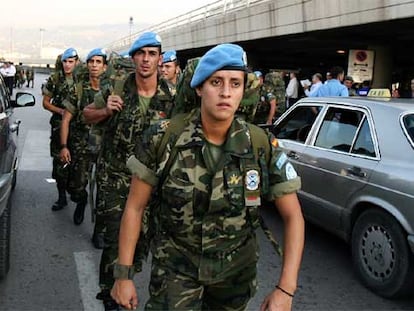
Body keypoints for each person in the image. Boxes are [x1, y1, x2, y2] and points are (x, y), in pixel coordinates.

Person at [111, 43, 305, 311]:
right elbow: (135, 207)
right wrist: (123, 275)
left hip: (234, 278)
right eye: (216, 82)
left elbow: (293, 216)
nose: (226, 92)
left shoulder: (260, 144)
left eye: (235, 83)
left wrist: (286, 288)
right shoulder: (163, 137)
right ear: (200, 87)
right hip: (175, 273)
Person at [82, 32, 175, 311]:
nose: (146, 59)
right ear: (134, 57)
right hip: (116, 178)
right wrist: (105, 111)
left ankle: (123, 281)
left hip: (150, 182)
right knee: (114, 235)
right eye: (141, 53)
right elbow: (86, 114)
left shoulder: (171, 96)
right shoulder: (116, 88)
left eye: (152, 54)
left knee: (141, 239)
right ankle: (109, 292)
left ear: (159, 59)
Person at [59, 48, 107, 227]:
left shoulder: (112, 91)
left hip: (105, 148)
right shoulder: (78, 89)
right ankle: (81, 200)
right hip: (81, 146)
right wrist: (64, 146)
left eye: (98, 62)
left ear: (105, 66)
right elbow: (66, 119)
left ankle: (99, 232)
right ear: (87, 65)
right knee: (75, 187)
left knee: (105, 192)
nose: (94, 65)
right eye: (91, 62)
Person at [42, 48, 80, 211]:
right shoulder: (55, 79)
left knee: (78, 164)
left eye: (71, 61)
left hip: (79, 128)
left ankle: (78, 195)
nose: (67, 65)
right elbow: (45, 102)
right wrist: (60, 111)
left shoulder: (82, 80)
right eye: (65, 61)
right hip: (59, 126)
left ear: (77, 62)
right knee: (60, 163)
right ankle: (62, 197)